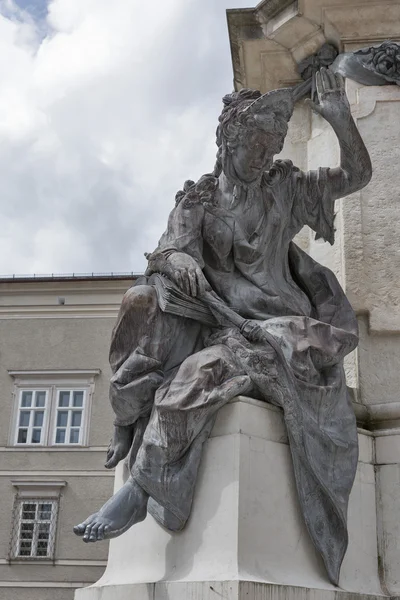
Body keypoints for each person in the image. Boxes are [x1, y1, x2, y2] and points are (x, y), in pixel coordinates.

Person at [74, 69, 372, 586]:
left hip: (278, 328)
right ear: (227, 142)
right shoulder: (199, 202)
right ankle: (127, 414)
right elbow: (165, 252)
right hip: (215, 322)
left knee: (200, 375)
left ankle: (140, 490)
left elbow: (357, 175)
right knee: (140, 301)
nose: (263, 155)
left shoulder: (285, 188)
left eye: (271, 145)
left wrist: (342, 119)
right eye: (254, 145)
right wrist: (175, 261)